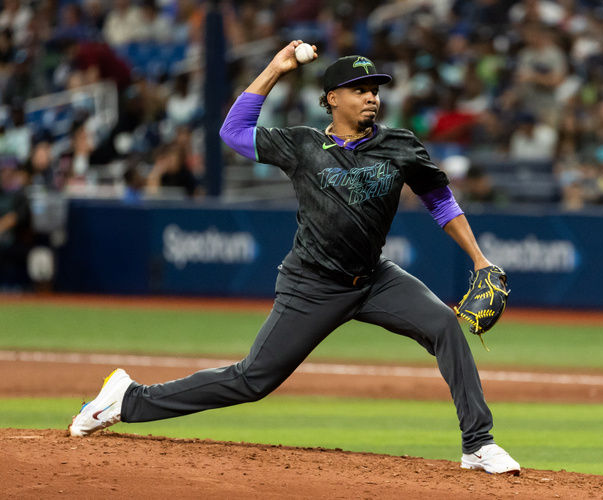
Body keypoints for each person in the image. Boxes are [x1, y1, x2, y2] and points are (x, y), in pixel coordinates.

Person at [69, 41, 520, 476]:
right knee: (252, 380)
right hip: (312, 284)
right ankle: (126, 400)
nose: (371, 97)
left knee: (443, 325)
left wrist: (479, 259)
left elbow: (441, 202)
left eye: (376, 90)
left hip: (375, 279)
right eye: (361, 89)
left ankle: (478, 444)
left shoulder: (400, 145)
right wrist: (276, 69)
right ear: (332, 98)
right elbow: (232, 133)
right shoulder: (302, 145)